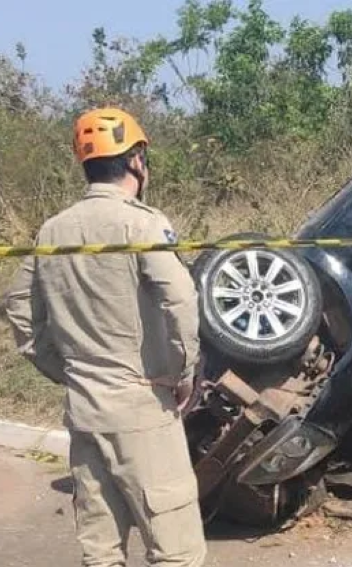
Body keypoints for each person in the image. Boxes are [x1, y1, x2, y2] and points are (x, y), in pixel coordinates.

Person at [2, 107, 207, 567]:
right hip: (143, 407)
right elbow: (181, 299)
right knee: (176, 551)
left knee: (101, 552)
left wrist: (62, 370)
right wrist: (181, 373)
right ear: (136, 159)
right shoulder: (142, 224)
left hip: (85, 411)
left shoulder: (52, 230)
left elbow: (18, 308)